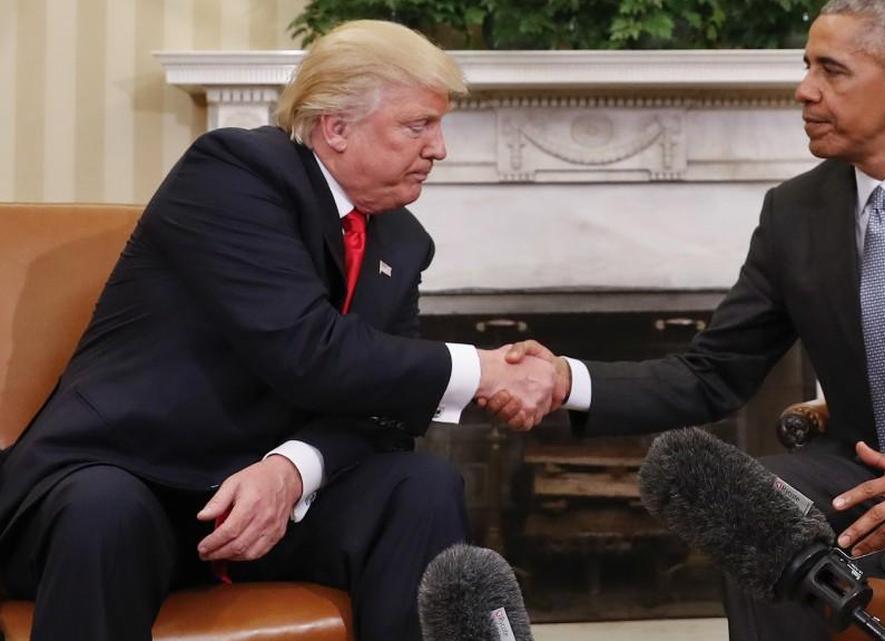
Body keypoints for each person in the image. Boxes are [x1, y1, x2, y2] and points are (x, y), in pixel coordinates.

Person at [490, 1, 885, 639]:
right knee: (753, 513)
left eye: (831, 71)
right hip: (868, 476)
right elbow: (711, 373)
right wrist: (563, 380)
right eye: (807, 67)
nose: (804, 90)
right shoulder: (794, 216)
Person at [0, 20, 560, 641]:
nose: (439, 148)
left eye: (438, 126)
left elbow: (386, 414)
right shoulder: (235, 173)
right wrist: (482, 368)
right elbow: (307, 348)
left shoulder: (402, 240)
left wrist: (292, 469)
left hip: (265, 505)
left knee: (423, 484)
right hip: (132, 474)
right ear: (336, 127)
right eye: (417, 125)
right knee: (104, 510)